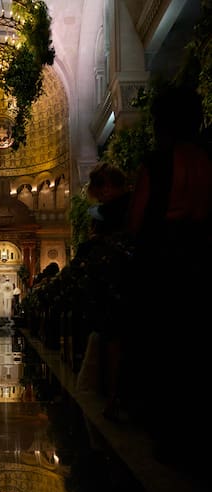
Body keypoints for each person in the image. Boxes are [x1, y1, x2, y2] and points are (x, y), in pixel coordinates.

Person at [125, 83, 212, 470]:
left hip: (165, 261)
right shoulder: (208, 155)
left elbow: (137, 221)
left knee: (166, 347)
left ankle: (170, 439)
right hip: (203, 255)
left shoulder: (157, 164)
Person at [75, 163, 133, 419]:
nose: (99, 195)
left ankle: (115, 397)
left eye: (100, 189)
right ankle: (115, 396)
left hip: (121, 277)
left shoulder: (118, 209)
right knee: (114, 338)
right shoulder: (114, 208)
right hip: (115, 277)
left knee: (115, 338)